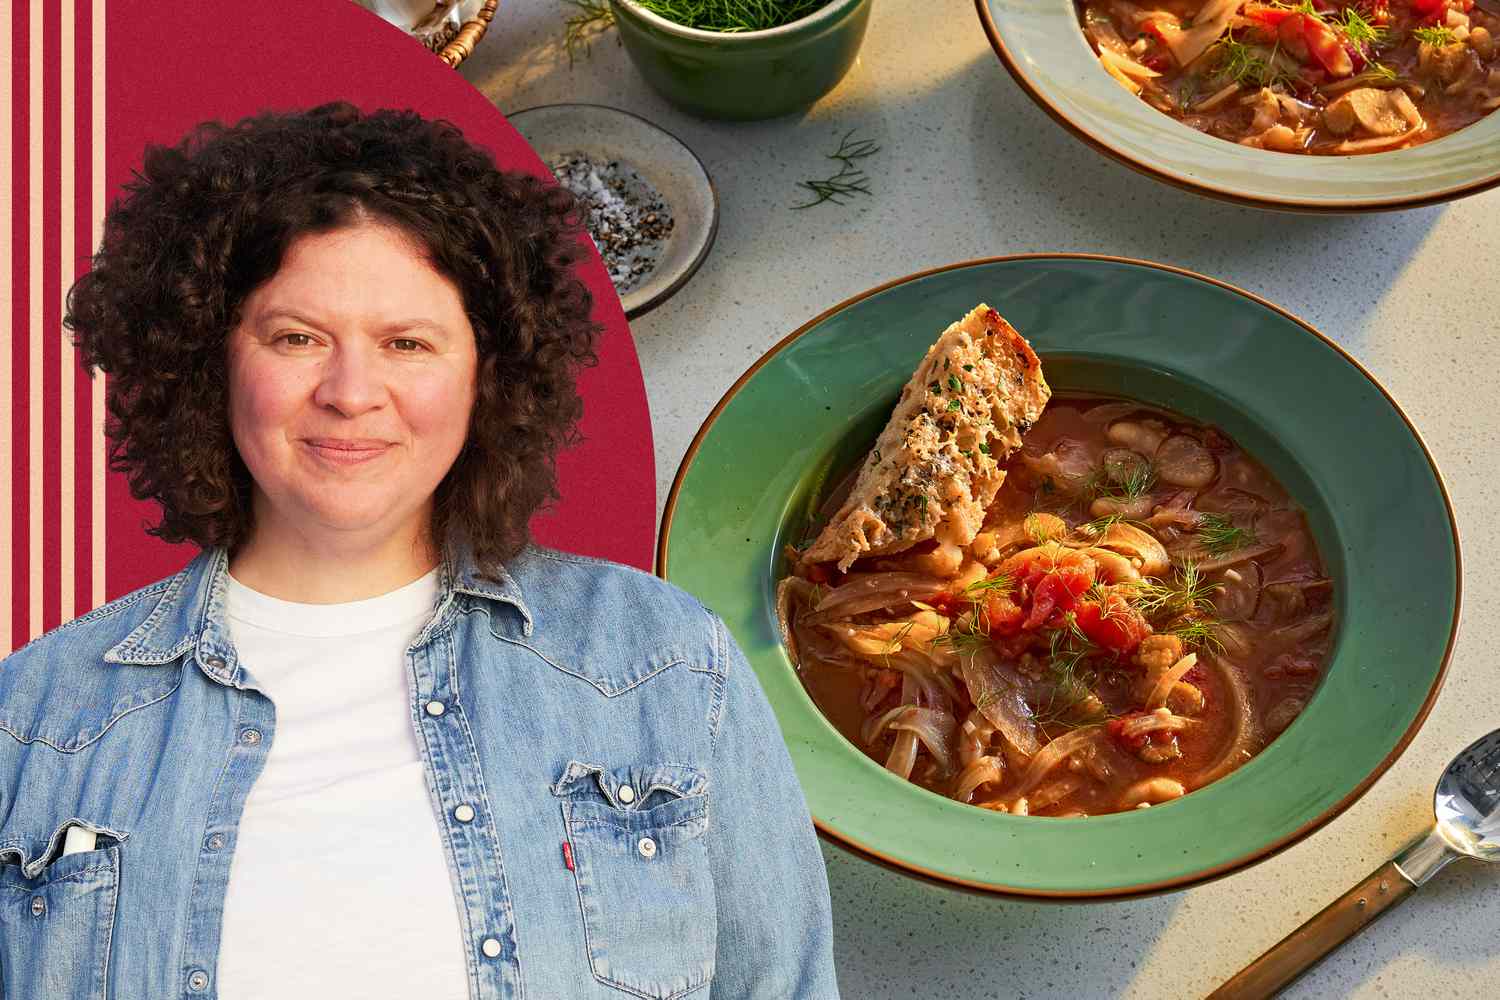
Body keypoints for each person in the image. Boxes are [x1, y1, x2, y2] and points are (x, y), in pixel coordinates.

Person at [0, 102, 840, 1000]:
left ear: (489, 373)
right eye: (297, 338)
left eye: (407, 343)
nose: (352, 392)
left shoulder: (664, 663)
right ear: (211, 361)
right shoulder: (32, 721)